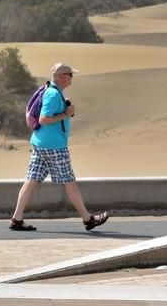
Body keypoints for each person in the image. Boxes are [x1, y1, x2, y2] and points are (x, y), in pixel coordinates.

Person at [10, 63, 109, 232]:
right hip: (54, 146)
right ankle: (87, 219)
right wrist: (66, 114)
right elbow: (44, 119)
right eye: (70, 74)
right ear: (62, 76)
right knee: (70, 182)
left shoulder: (51, 90)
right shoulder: (53, 94)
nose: (71, 77)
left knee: (31, 180)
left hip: (40, 143)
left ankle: (16, 218)